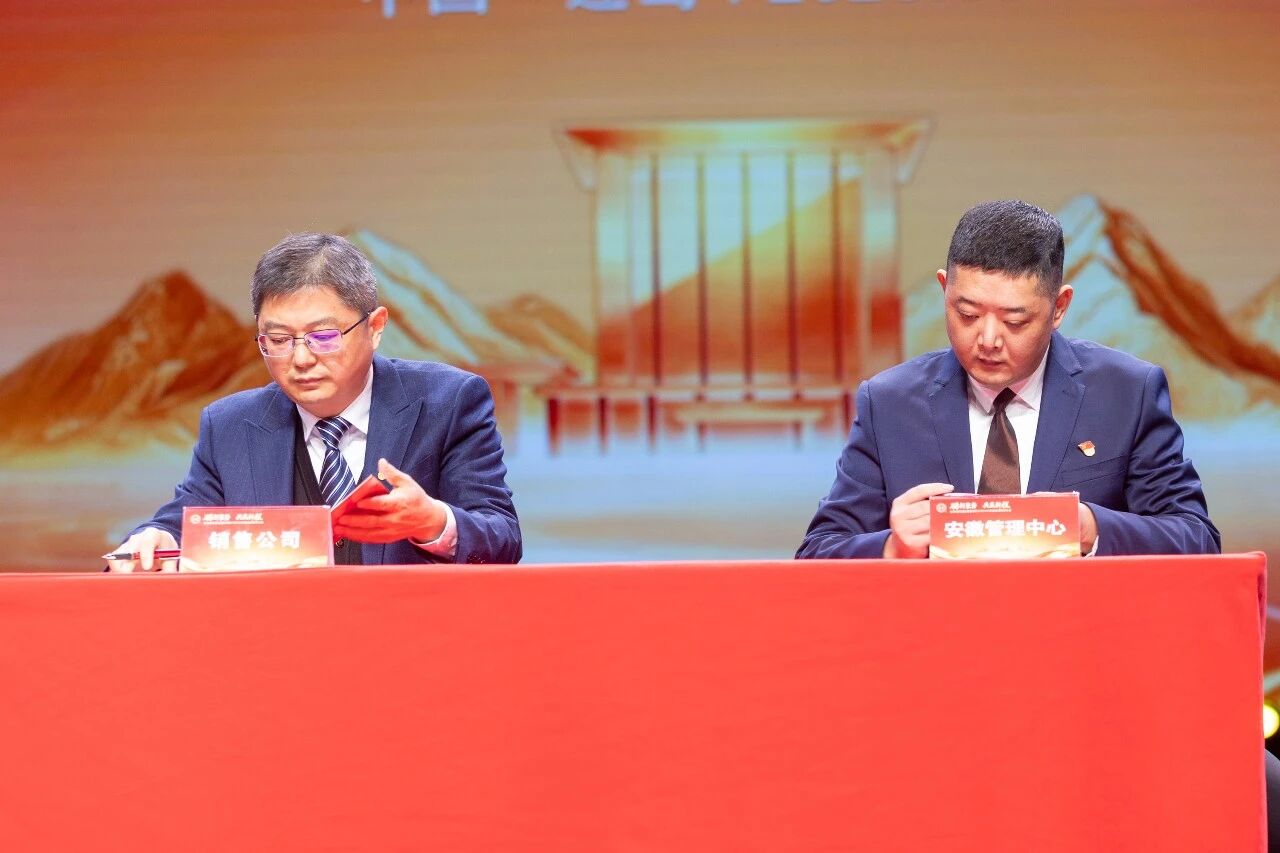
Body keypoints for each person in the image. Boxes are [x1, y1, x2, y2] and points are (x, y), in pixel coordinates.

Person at [797, 199, 1218, 560]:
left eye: (1015, 321)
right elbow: (818, 551)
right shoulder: (889, 403)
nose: (988, 340)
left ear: (1059, 307)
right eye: (967, 314)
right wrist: (892, 547)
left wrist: (1091, 528)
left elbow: (1197, 539)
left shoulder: (1127, 393)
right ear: (944, 290)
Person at [108, 233, 521, 571]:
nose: (301, 359)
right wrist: (156, 540)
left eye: (323, 337)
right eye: (278, 340)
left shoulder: (448, 402)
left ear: (375, 327)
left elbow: (502, 538)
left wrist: (434, 522)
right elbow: (182, 524)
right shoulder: (231, 425)